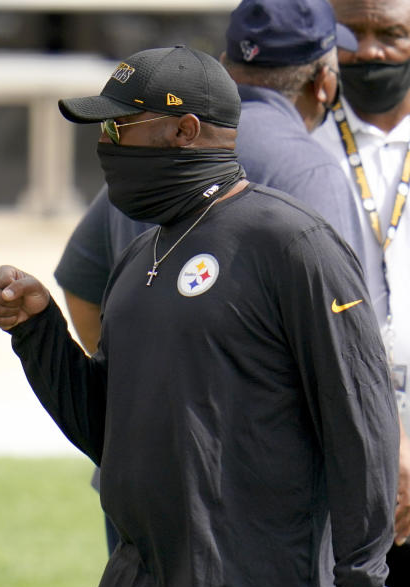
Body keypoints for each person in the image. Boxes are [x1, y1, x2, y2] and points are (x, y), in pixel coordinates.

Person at [0, 45, 398, 587]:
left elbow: (363, 427)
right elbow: (112, 431)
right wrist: (38, 331)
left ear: (184, 130)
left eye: (119, 126)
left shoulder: (291, 244)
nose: (106, 144)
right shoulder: (144, 251)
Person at [54, 0, 371, 557]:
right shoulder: (310, 169)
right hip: (249, 511)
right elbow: (345, 370)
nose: (107, 140)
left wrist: (148, 403)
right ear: (324, 80)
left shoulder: (144, 151)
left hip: (142, 485)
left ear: (227, 63)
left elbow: (81, 287)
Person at [312, 2, 410, 587]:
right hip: (329, 433)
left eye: (392, 34)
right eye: (354, 35)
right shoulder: (298, 139)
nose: (370, 52)